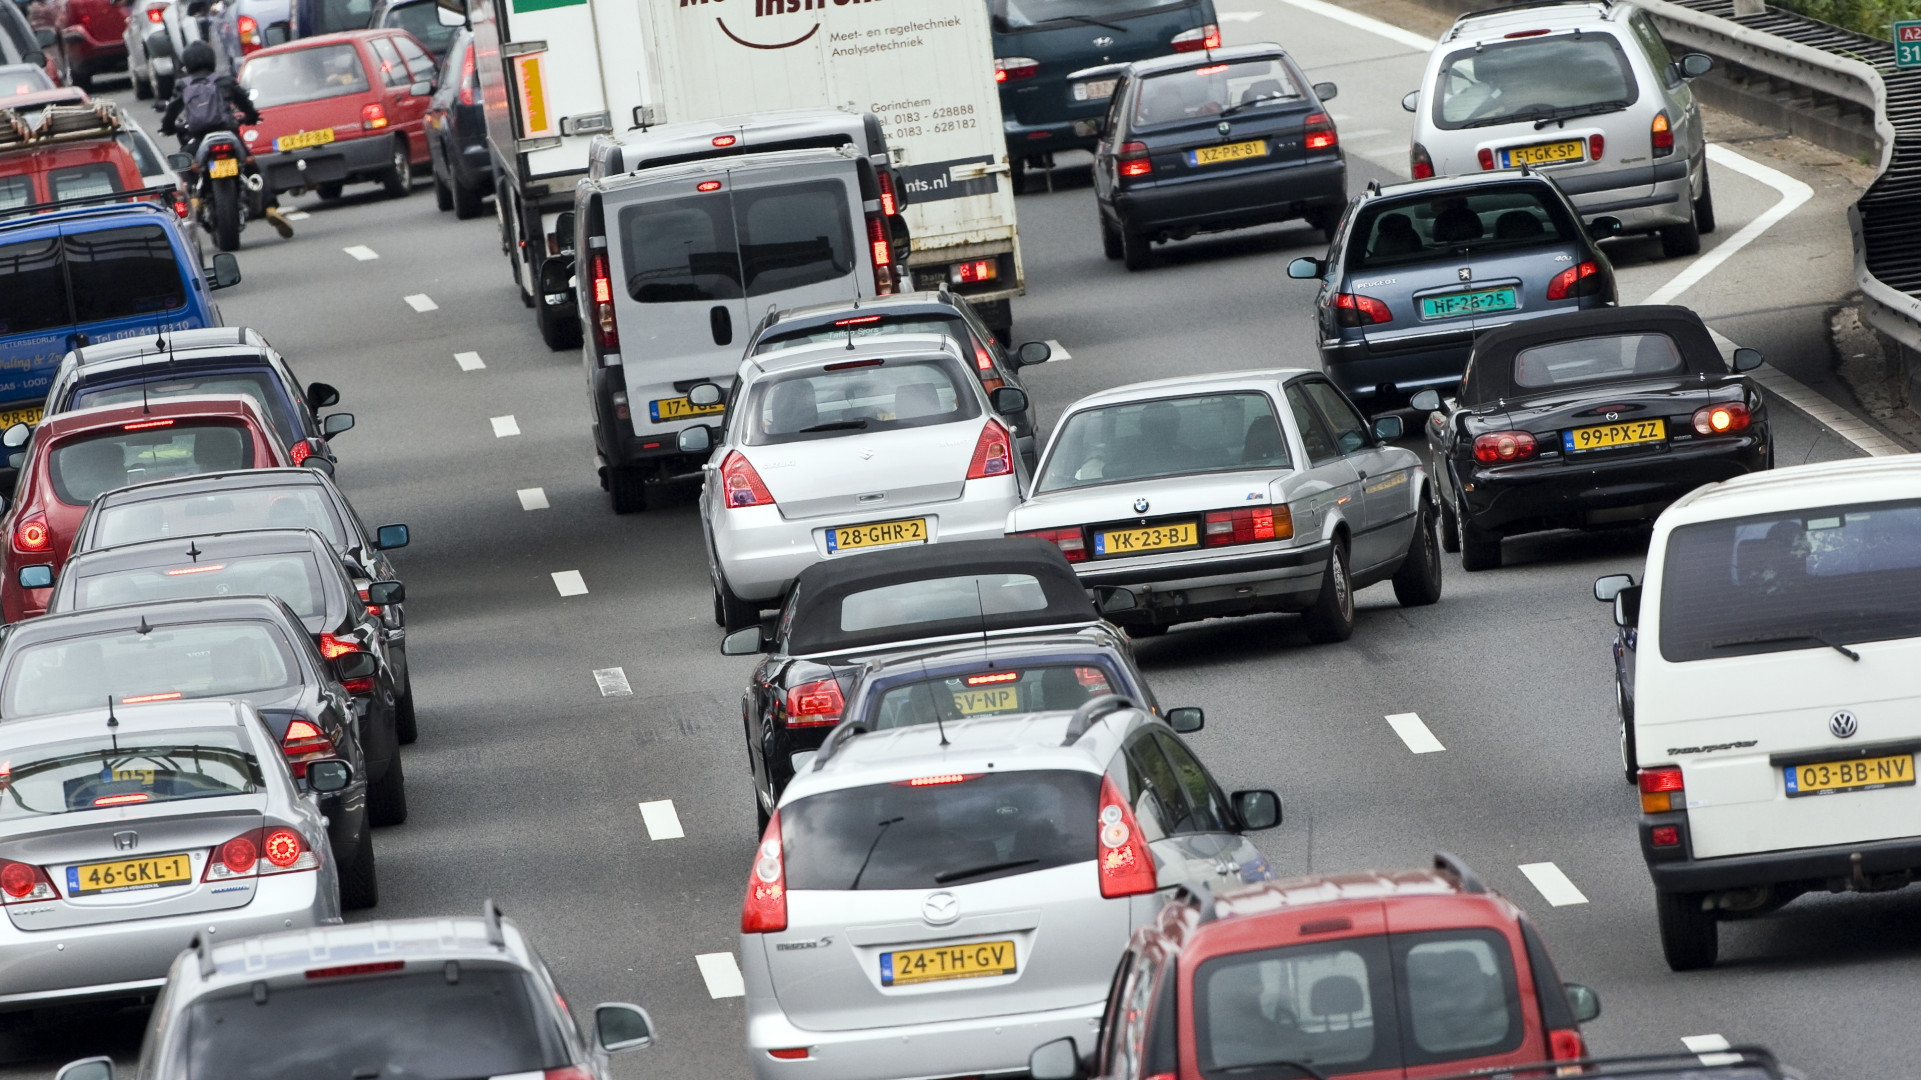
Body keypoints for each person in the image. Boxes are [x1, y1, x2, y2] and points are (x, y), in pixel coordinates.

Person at [160, 42, 294, 239]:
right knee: (252, 168)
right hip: (229, 135)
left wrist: (168, 127)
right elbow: (244, 102)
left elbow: (171, 110)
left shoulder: (183, 85)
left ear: (186, 63)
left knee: (186, 162)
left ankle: (194, 198)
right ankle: (271, 208)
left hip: (198, 139)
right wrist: (252, 117)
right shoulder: (224, 80)